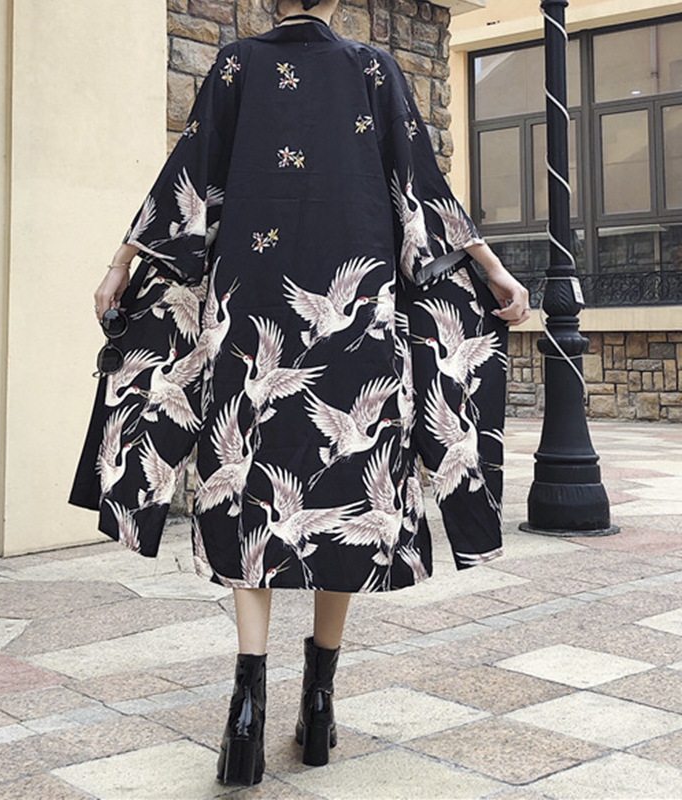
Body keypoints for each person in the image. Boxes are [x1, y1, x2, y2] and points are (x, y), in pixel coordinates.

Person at [70, 0, 530, 786]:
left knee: (247, 492)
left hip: (250, 325)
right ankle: (319, 700)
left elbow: (186, 184)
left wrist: (121, 264)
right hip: (360, 337)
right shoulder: (373, 69)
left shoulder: (236, 65)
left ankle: (246, 708)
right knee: (346, 502)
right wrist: (493, 271)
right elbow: (422, 190)